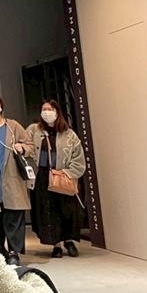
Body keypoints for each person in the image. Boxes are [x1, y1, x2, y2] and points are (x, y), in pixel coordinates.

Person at [0, 91, 36, 265]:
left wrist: (22, 148)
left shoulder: (13, 126)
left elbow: (30, 145)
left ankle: (13, 252)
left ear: (1, 105)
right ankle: (0, 249)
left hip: (12, 178)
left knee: (14, 216)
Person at [26, 99, 85, 258]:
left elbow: (78, 158)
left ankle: (69, 241)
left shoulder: (69, 134)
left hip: (63, 176)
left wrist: (68, 173)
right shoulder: (34, 130)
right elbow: (27, 147)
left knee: (67, 209)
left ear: (57, 112)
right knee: (48, 210)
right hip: (42, 177)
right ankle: (56, 244)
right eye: (43, 109)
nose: (46, 112)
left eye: (50, 109)